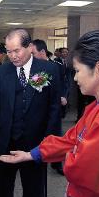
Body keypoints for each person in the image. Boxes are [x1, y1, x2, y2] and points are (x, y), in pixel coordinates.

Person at [0, 30, 99, 197]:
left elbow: (88, 170)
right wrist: (31, 155)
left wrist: (73, 154)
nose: (75, 78)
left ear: (98, 69)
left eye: (77, 70)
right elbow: (71, 140)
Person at [0, 28, 61, 197]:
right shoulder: (2, 71)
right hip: (6, 140)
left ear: (29, 47)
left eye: (16, 50)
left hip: (35, 142)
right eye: (8, 51)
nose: (12, 56)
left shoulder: (48, 69)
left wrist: (49, 139)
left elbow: (54, 107)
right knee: (4, 189)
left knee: (34, 190)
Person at [31, 39, 66, 175]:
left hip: (54, 109)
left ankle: (57, 162)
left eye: (33, 53)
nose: (31, 57)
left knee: (55, 136)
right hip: (40, 112)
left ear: (42, 52)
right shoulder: (34, 69)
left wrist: (64, 96)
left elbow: (64, 83)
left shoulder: (55, 66)